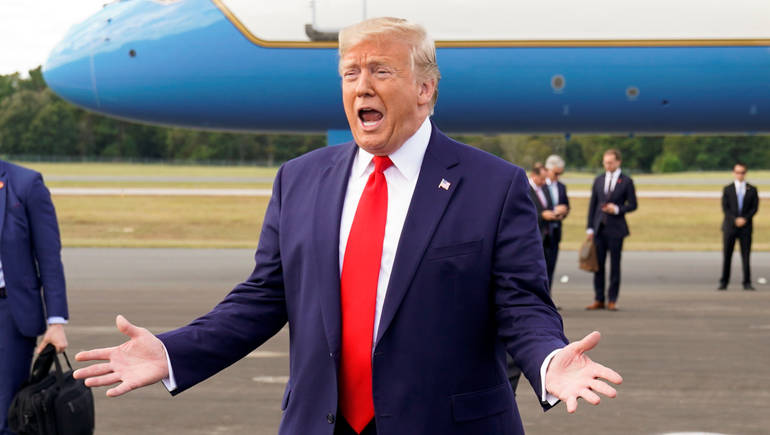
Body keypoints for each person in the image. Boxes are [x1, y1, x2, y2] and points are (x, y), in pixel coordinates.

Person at [74, 18, 622, 435]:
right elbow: (263, 298)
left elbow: (522, 304)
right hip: (321, 422)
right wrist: (172, 352)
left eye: (381, 71)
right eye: (351, 73)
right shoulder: (299, 179)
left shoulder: (493, 185)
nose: (363, 86)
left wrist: (550, 361)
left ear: (425, 89)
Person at [0, 160, 69, 434]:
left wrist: (56, 322)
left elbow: (49, 257)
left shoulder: (26, 184)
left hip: (9, 314)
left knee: (5, 415)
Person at [585, 149, 637, 311]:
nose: (607, 165)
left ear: (618, 162)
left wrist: (617, 209)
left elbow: (633, 205)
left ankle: (612, 299)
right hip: (599, 228)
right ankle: (598, 298)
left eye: (610, 162)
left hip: (616, 229)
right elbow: (592, 205)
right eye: (605, 162)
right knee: (597, 265)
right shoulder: (598, 180)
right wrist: (590, 228)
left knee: (615, 265)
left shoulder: (626, 181)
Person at [719, 162, 759, 291]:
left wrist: (745, 219)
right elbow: (725, 208)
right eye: (737, 172)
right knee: (727, 255)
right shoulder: (728, 189)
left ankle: (747, 282)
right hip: (730, 227)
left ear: (745, 173)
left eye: (742, 172)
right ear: (733, 173)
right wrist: (734, 219)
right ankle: (724, 282)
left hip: (746, 228)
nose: (739, 175)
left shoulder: (752, 189)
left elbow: (754, 208)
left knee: (746, 256)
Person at [544, 155, 570, 287]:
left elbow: (566, 205)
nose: (558, 176)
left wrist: (564, 211)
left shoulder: (561, 187)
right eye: (556, 173)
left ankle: (549, 298)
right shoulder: (540, 186)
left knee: (551, 267)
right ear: (548, 169)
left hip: (555, 231)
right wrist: (553, 210)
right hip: (542, 232)